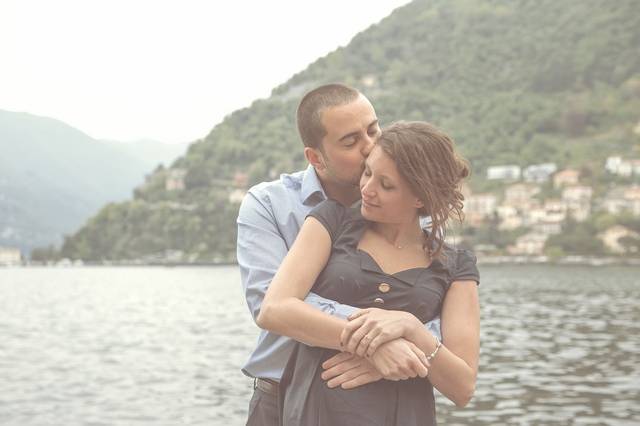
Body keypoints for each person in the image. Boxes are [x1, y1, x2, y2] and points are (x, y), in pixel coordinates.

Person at [237, 84, 441, 426]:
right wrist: (377, 341)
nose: (371, 146)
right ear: (316, 157)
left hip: (384, 400)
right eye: (351, 141)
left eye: (374, 130)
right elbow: (268, 304)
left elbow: (439, 315)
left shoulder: (412, 208)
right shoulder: (268, 205)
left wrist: (395, 339)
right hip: (281, 398)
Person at [257, 121, 480, 425]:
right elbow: (274, 309)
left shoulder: (455, 266)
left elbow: (462, 387)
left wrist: (411, 328)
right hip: (317, 411)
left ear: (420, 198)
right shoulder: (332, 221)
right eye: (367, 172)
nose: (367, 189)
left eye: (386, 185)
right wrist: (377, 347)